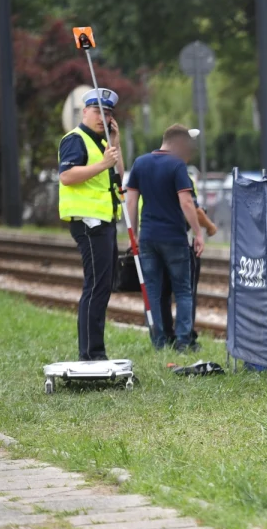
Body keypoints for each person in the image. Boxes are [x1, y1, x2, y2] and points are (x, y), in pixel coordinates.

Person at [124, 124, 206, 351]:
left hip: (148, 237)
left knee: (151, 291)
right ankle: (183, 341)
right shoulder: (177, 165)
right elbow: (186, 202)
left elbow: (131, 202)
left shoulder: (140, 163)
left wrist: (133, 235)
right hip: (174, 238)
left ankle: (158, 342)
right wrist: (198, 233)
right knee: (183, 291)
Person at [58, 87, 124, 361]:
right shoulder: (75, 139)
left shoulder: (103, 143)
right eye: (98, 111)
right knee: (96, 286)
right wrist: (102, 164)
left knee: (103, 286)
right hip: (89, 222)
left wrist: (115, 144)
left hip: (104, 221)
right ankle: (90, 354)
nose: (103, 118)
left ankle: (95, 351)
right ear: (84, 111)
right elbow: (67, 176)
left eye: (108, 113)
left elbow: (119, 178)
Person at [152, 160, 218, 341]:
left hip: (152, 240)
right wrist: (209, 228)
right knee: (185, 292)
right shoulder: (181, 175)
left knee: (161, 293)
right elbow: (193, 209)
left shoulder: (149, 173)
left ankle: (164, 337)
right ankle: (185, 338)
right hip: (178, 240)